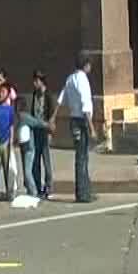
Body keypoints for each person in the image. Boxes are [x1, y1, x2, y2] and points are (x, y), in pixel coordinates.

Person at [54, 54, 95, 202]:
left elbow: (61, 99)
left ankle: (82, 191)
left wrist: (53, 116)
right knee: (83, 157)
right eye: (89, 64)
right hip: (82, 120)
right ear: (86, 65)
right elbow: (85, 105)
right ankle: (83, 193)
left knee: (79, 156)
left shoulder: (70, 79)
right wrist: (92, 127)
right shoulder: (82, 79)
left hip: (73, 120)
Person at [28, 70, 55, 198]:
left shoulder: (48, 95)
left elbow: (51, 114)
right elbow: (32, 112)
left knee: (46, 159)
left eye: (36, 81)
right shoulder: (35, 94)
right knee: (35, 159)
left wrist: (50, 132)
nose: (34, 83)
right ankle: (37, 186)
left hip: (45, 130)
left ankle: (48, 186)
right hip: (36, 129)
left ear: (41, 81)